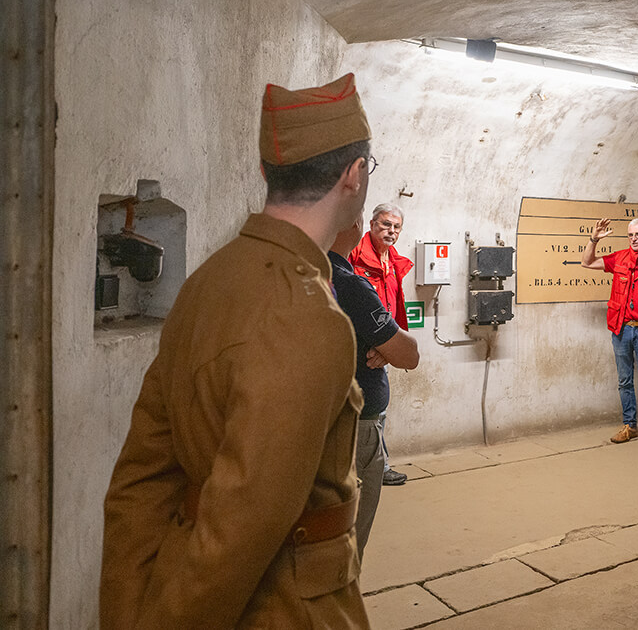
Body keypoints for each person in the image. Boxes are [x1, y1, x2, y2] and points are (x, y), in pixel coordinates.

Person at [100, 73, 374, 628]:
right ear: (354, 175)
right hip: (285, 607)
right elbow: (242, 528)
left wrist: (129, 612)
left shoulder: (207, 282)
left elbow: (141, 481)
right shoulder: (309, 320)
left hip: (181, 575)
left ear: (265, 173)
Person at [328, 217, 421, 563]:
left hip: (318, 419)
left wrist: (383, 342)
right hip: (356, 426)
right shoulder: (349, 283)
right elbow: (408, 355)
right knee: (347, 532)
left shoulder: (302, 272)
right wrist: (388, 346)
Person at [580, 216, 638, 449]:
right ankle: (629, 426)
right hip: (622, 329)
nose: (633, 239)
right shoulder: (620, 258)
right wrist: (594, 239)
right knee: (624, 381)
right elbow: (587, 262)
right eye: (630, 235)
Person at [349, 203, 414, 486]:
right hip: (355, 347)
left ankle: (378, 465)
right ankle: (358, 469)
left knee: (377, 407)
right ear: (371, 224)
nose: (391, 231)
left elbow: (392, 307)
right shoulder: (352, 257)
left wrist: (388, 349)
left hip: (381, 345)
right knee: (359, 409)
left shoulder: (393, 262)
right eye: (386, 224)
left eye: (396, 227)